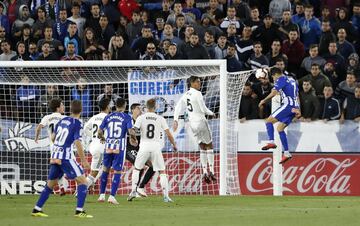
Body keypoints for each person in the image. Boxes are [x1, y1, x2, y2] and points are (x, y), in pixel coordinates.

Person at [31, 100, 93, 218]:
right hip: (65, 157)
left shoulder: (62, 120)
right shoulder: (77, 123)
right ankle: (79, 211)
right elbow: (77, 142)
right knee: (83, 181)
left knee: (50, 184)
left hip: (55, 154)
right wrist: (84, 160)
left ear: (70, 109)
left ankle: (36, 209)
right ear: (81, 110)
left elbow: (53, 138)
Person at [127, 98, 177, 202]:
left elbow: (133, 130)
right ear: (155, 107)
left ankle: (133, 191)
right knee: (162, 171)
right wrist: (174, 145)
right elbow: (169, 134)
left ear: (146, 107)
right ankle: (166, 196)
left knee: (137, 169)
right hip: (155, 147)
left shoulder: (141, 118)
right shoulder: (160, 118)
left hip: (144, 146)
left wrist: (133, 138)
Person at [173, 76, 216, 183]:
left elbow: (178, 107)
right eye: (197, 82)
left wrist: (175, 119)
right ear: (192, 83)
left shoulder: (186, 94)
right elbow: (203, 109)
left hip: (192, 124)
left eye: (200, 82)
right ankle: (212, 171)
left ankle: (205, 171)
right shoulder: (198, 93)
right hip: (201, 121)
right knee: (209, 145)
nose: (199, 84)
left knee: (202, 146)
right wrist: (212, 113)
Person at [97, 98, 137, 205]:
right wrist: (134, 138)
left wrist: (102, 138)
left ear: (115, 105)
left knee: (105, 169)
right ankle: (112, 196)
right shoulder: (127, 117)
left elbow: (99, 132)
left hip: (108, 146)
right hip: (119, 147)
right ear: (124, 105)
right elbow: (130, 131)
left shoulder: (108, 116)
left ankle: (101, 195)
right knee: (117, 171)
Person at [258, 68, 300, 164]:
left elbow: (273, 92)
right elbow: (297, 94)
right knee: (280, 129)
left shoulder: (281, 79)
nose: (274, 79)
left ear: (276, 74)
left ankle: (271, 142)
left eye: (273, 77)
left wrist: (263, 100)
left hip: (287, 106)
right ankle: (286, 153)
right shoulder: (292, 79)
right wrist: (298, 109)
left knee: (268, 121)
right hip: (294, 107)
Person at [34, 98, 68, 195]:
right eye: (62, 105)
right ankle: (58, 187)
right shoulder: (64, 118)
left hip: (53, 147)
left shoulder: (47, 117)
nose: (63, 107)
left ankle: (59, 187)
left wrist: (36, 138)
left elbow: (38, 127)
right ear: (58, 108)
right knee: (62, 167)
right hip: (63, 147)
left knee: (58, 167)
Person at [125, 103, 154, 197]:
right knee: (139, 165)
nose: (140, 110)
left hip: (139, 148)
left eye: (141, 108)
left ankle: (140, 188)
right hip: (128, 148)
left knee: (153, 166)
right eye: (138, 108)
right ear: (132, 110)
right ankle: (134, 190)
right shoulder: (128, 120)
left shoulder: (142, 121)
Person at [83, 98, 111, 191]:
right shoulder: (108, 118)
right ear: (107, 107)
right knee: (94, 172)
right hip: (101, 146)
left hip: (93, 145)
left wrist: (93, 136)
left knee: (104, 167)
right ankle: (81, 189)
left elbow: (85, 128)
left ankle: (90, 183)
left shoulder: (94, 117)